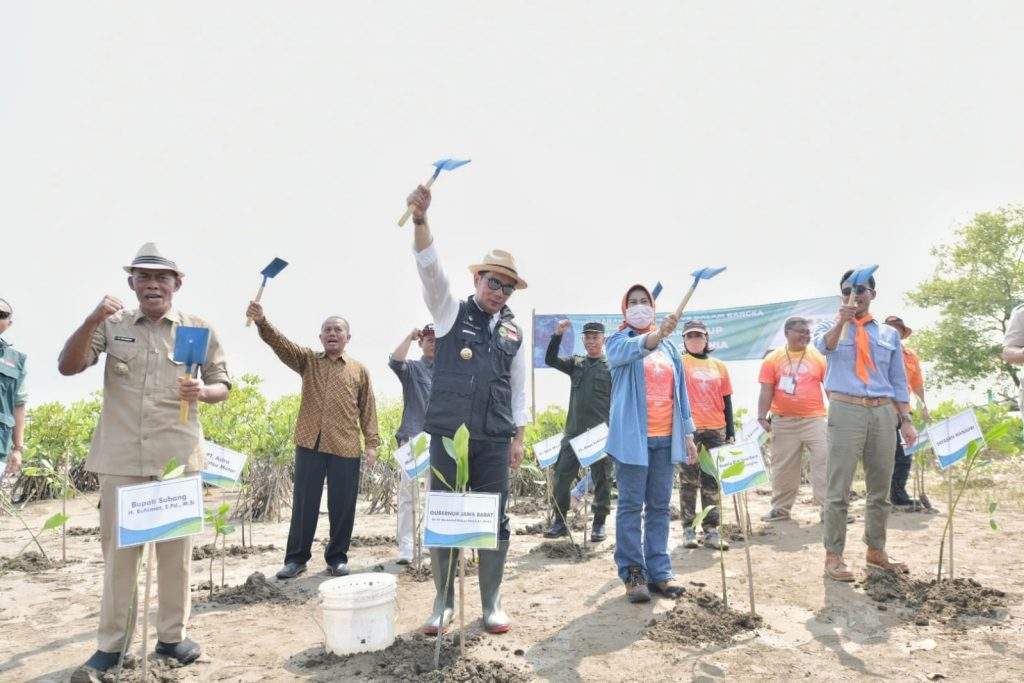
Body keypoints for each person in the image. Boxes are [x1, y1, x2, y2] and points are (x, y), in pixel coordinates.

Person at [59, 244, 231, 679]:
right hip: (121, 458)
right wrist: (91, 320)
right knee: (121, 557)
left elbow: (222, 384)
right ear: (131, 283)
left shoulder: (197, 329)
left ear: (177, 283)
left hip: (177, 458)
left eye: (162, 277)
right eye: (144, 277)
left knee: (176, 555)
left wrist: (203, 392)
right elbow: (68, 366)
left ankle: (172, 637)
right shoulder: (111, 325)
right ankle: (111, 645)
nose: (153, 284)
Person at [405, 183, 529, 635]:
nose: (500, 291)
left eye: (507, 286)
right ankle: (442, 603)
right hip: (448, 435)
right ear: (477, 280)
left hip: (493, 439)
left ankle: (492, 601)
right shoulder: (448, 312)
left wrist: (518, 439)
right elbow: (429, 268)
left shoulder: (514, 333)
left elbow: (518, 391)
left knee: (495, 517)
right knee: (444, 512)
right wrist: (421, 221)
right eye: (493, 282)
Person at [246, 301, 379, 580]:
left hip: (345, 445)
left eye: (338, 330)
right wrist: (262, 321)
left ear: (347, 337)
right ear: (320, 337)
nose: (332, 333)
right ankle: (296, 559)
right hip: (310, 443)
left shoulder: (359, 370)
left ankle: (337, 558)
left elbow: (368, 408)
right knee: (304, 503)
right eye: (327, 330)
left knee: (343, 506)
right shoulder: (308, 361)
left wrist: (372, 443)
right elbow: (280, 344)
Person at [814, 269, 917, 582]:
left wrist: (906, 420)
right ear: (841, 295)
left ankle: (876, 551)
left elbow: (898, 380)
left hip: (883, 412)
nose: (854, 295)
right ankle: (834, 555)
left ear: (873, 294)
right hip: (846, 409)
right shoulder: (830, 326)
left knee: (880, 489)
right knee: (838, 489)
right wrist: (841, 322)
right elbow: (824, 347)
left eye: (860, 290)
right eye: (848, 290)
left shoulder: (888, 335)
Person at [606, 284, 698, 603]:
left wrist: (688, 433)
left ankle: (660, 570)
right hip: (632, 439)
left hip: (666, 439)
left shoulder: (670, 348)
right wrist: (656, 335)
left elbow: (681, 393)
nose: (639, 306)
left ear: (653, 307)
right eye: (632, 302)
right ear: (624, 309)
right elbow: (632, 350)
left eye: (644, 301)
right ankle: (633, 571)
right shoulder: (618, 341)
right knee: (631, 506)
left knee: (659, 506)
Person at [543, 320, 612, 542]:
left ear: (603, 339)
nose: (591, 341)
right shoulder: (576, 363)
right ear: (583, 340)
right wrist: (557, 335)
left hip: (599, 434)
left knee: (602, 479)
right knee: (561, 478)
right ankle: (560, 522)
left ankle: (599, 523)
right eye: (588, 337)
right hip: (573, 433)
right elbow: (550, 359)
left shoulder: (611, 367)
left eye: (595, 337)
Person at [757, 316, 828, 522]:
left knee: (825, 462)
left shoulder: (818, 357)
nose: (805, 335)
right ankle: (780, 509)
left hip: (815, 420)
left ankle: (830, 510)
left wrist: (838, 414)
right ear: (787, 333)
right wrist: (761, 416)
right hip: (783, 422)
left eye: (808, 332)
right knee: (783, 467)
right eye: (800, 331)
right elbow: (766, 390)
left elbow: (830, 388)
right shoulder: (772, 359)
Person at [679, 319, 733, 550]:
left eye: (699, 335)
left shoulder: (719, 365)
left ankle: (711, 530)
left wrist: (730, 432)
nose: (694, 339)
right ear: (683, 340)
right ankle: (688, 529)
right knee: (689, 481)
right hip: (689, 431)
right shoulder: (679, 362)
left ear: (706, 338)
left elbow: (727, 400)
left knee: (711, 481)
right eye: (690, 335)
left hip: (716, 429)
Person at [389, 324, 435, 563]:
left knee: (434, 493)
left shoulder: (448, 371)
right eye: (429, 339)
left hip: (440, 440)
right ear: (421, 343)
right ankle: (406, 546)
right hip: (413, 437)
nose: (434, 343)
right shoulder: (413, 369)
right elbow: (395, 361)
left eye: (438, 340)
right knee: (408, 494)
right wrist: (409, 336)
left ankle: (429, 542)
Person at [883, 315, 931, 509]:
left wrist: (924, 404)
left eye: (898, 329)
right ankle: (881, 496)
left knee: (905, 453)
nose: (894, 331)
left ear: (903, 334)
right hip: (883, 408)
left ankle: (898, 494)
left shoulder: (910, 356)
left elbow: (917, 383)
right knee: (884, 453)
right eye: (890, 328)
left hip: (904, 411)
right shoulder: (878, 350)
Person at [0, 297, 27, 479]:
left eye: (1, 314)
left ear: (9, 323)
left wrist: (17, 448)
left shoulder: (16, 360)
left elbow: (19, 404)